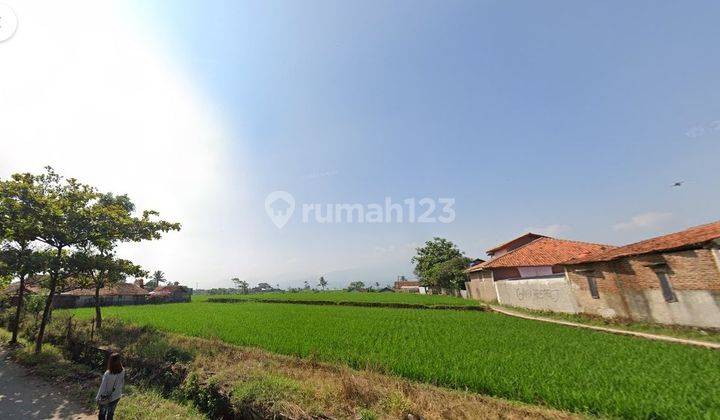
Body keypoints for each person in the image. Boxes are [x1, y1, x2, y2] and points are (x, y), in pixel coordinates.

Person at [96, 352, 125, 420]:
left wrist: (97, 398)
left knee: (102, 414)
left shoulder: (107, 374)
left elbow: (102, 387)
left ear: (110, 362)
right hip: (116, 396)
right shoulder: (123, 371)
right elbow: (121, 383)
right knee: (110, 414)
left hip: (105, 397)